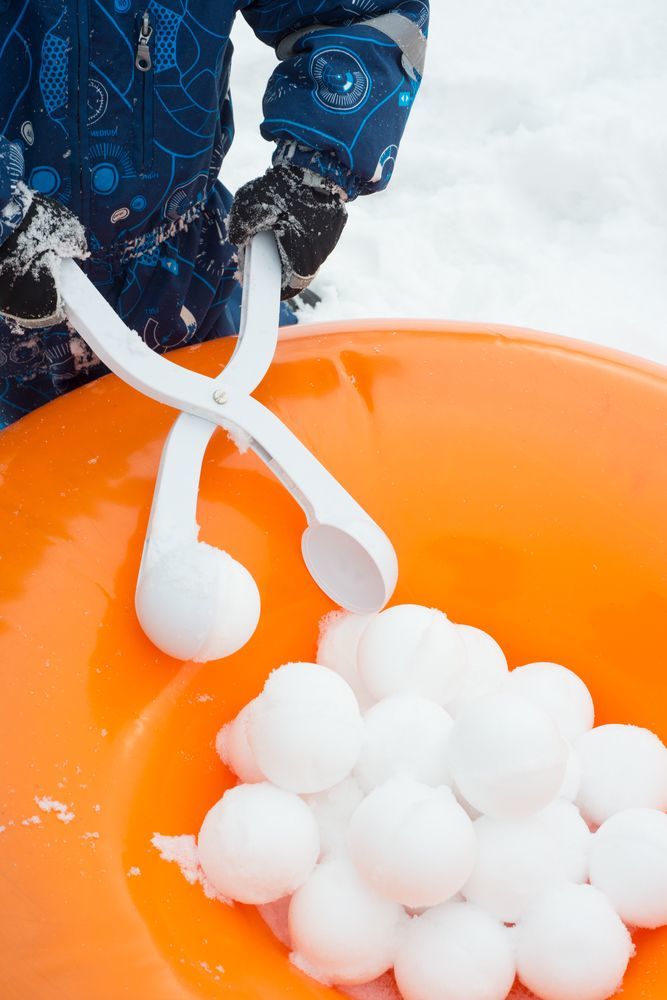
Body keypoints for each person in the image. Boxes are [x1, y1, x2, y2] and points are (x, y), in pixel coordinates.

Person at [0, 0, 429, 428]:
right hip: (11, 309)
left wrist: (318, 173)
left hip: (189, 275)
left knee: (246, 445)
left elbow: (363, 13)